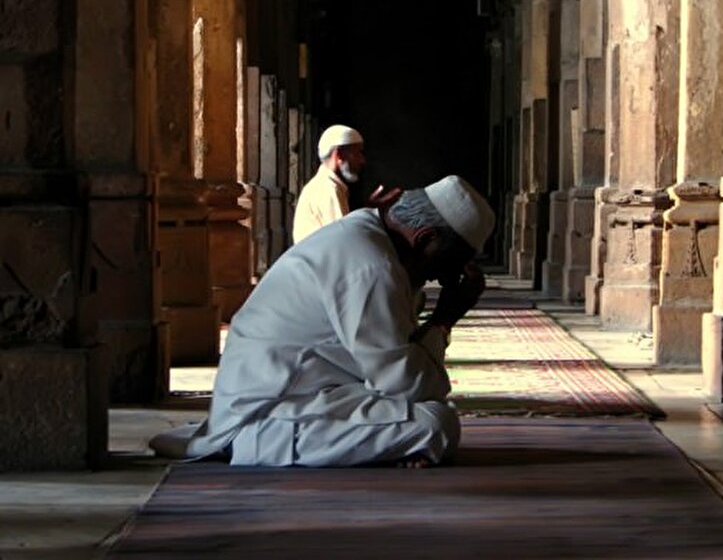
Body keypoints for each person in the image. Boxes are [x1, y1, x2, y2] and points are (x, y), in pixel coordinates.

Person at [151, 175, 495, 468]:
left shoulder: (367, 233)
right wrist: (445, 318)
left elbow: (396, 370)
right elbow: (407, 385)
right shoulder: (373, 268)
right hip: (265, 417)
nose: (441, 278)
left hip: (304, 392)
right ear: (425, 239)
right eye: (446, 265)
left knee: (425, 410)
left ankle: (382, 443)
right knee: (437, 424)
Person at [292, 124, 398, 244]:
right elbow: (345, 242)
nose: (362, 161)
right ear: (339, 155)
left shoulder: (329, 185)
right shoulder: (327, 189)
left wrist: (368, 210)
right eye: (358, 153)